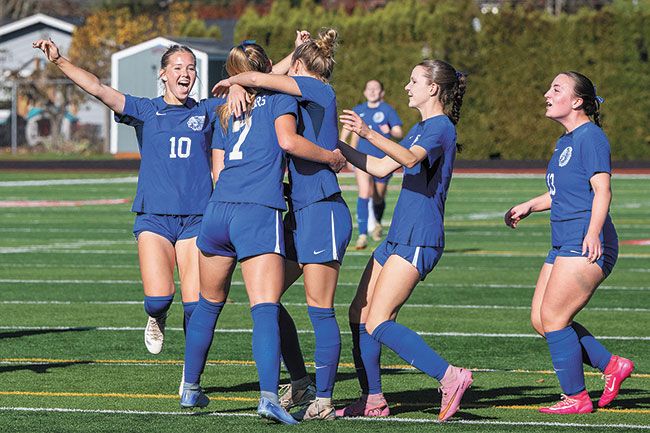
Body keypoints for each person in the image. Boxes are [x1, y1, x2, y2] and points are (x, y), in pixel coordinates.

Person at [179, 41, 345, 425]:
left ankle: (190, 387)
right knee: (265, 307)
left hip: (218, 211)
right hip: (257, 211)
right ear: (270, 68)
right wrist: (333, 157)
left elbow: (217, 172)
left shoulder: (223, 110)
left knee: (207, 304)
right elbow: (287, 140)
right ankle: (270, 396)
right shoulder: (279, 101)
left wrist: (236, 85)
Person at [32, 39, 223, 358]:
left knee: (196, 305)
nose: (185, 73)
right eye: (177, 67)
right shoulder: (147, 109)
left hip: (197, 218)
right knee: (160, 297)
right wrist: (59, 60)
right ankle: (156, 316)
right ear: (163, 74)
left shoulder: (206, 111)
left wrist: (293, 58)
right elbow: (98, 88)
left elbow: (258, 79)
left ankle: (191, 378)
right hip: (154, 217)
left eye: (190, 68)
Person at [336, 60, 471, 422]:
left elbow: (409, 158)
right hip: (398, 234)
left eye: (414, 81)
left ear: (433, 88)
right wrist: (335, 147)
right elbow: (381, 167)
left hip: (419, 235)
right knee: (358, 313)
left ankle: (450, 376)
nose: (407, 86)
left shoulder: (440, 127)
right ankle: (373, 399)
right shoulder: (420, 127)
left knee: (378, 321)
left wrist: (365, 132)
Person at [505, 71, 634, 414]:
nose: (547, 93)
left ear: (577, 101)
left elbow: (602, 191)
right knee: (541, 320)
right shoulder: (565, 141)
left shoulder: (591, 137)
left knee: (555, 317)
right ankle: (611, 365)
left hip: (584, 238)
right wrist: (531, 204)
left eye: (556, 89)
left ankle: (575, 397)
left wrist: (592, 233)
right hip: (563, 239)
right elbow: (563, 191)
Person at [340, 80, 403, 249]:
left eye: (376, 88)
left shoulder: (387, 110)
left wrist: (389, 131)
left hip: (384, 161)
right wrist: (344, 149)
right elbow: (346, 132)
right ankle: (362, 235)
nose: (372, 91)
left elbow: (399, 131)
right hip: (363, 158)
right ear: (365, 92)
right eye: (369, 88)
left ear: (381, 92)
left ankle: (377, 222)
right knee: (364, 192)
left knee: (378, 196)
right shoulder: (359, 110)